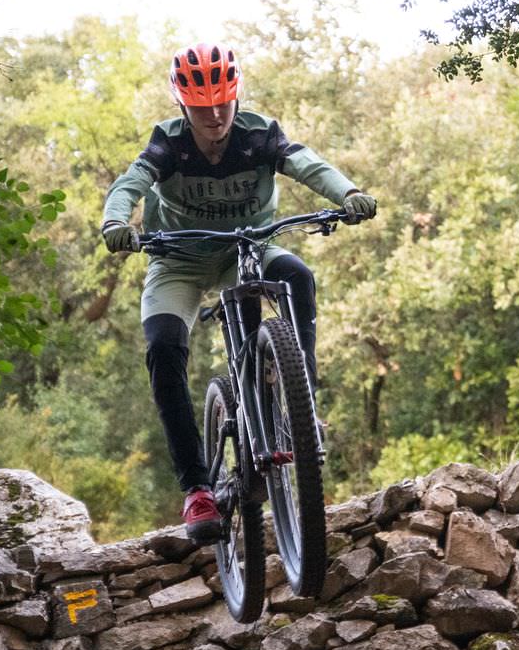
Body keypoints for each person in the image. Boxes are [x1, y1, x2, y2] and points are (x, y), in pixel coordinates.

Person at [101, 43, 377, 543]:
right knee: (164, 349)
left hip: (245, 250)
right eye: (202, 107)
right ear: (183, 104)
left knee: (297, 275)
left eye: (222, 103)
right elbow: (130, 182)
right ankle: (198, 490)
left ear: (235, 95)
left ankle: (301, 407)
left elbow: (306, 163)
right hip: (178, 259)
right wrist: (116, 220)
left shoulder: (257, 135)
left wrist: (348, 193)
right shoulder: (169, 143)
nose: (214, 115)